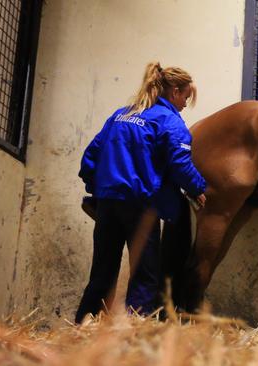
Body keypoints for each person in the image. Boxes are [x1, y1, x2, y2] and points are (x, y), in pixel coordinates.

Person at [75, 62, 207, 323]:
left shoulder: (119, 115)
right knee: (145, 274)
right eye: (185, 98)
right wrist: (199, 188)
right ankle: (135, 332)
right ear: (175, 92)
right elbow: (180, 163)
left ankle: (82, 326)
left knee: (102, 272)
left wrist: (100, 190)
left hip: (108, 205)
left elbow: (89, 159)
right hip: (140, 206)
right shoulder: (169, 121)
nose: (184, 104)